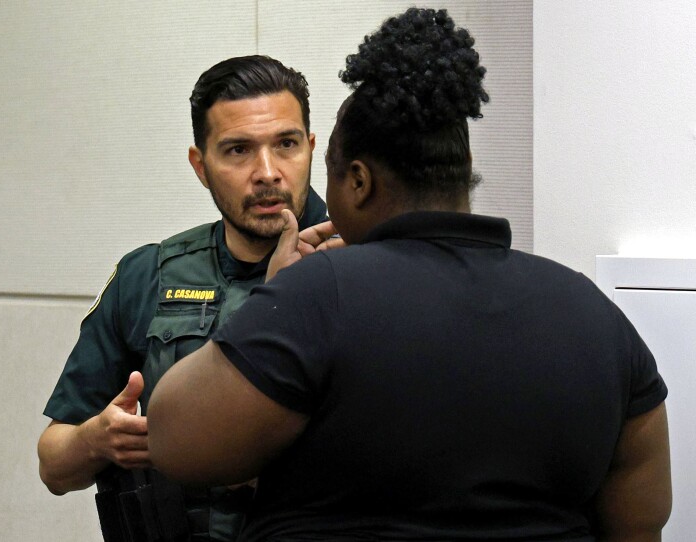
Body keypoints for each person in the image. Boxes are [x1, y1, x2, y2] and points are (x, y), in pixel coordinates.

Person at [147, 8, 672, 541]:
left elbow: (177, 443)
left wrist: (276, 294)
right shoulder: (597, 317)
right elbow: (641, 524)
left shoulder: (318, 293)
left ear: (357, 182)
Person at [37, 55, 327, 542]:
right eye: (237, 150)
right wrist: (97, 440)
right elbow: (53, 464)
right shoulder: (146, 275)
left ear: (311, 148)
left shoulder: (356, 270)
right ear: (201, 165)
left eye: (287, 145)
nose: (268, 172)